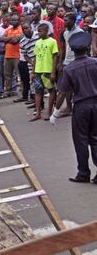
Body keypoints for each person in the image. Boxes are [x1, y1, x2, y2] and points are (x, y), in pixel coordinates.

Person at [50, 32, 97, 184]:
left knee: (81, 140)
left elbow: (63, 92)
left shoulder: (70, 69)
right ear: (87, 47)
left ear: (72, 50)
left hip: (82, 106)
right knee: (95, 139)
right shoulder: (95, 63)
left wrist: (55, 112)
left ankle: (83, 173)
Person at [30, 23, 59, 121]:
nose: (38, 33)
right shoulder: (37, 42)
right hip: (38, 70)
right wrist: (33, 72)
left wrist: (53, 72)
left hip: (47, 71)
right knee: (38, 91)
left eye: (40, 31)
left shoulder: (52, 41)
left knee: (51, 91)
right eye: (38, 31)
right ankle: (38, 113)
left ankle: (49, 112)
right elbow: (35, 57)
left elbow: (55, 57)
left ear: (46, 31)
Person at [59, 12, 84, 116]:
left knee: (79, 85)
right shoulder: (65, 32)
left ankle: (80, 107)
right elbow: (64, 48)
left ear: (73, 21)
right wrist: (61, 63)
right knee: (67, 87)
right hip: (67, 62)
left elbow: (83, 49)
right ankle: (69, 108)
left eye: (66, 20)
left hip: (77, 61)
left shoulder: (79, 32)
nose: (64, 22)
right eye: (64, 19)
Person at [17, 23, 40, 103]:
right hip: (31, 63)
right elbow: (25, 55)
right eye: (23, 29)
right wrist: (31, 62)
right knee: (33, 82)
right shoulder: (22, 42)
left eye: (27, 28)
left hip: (42, 61)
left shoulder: (38, 35)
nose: (25, 30)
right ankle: (35, 100)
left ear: (30, 27)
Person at [2, 15, 23, 99]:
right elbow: (1, 38)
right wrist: (11, 38)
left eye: (15, 20)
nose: (13, 22)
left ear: (19, 21)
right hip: (8, 55)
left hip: (17, 56)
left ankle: (22, 92)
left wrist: (8, 39)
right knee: (7, 75)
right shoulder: (8, 29)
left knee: (20, 75)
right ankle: (7, 91)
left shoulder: (21, 29)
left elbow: (15, 41)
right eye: (12, 20)